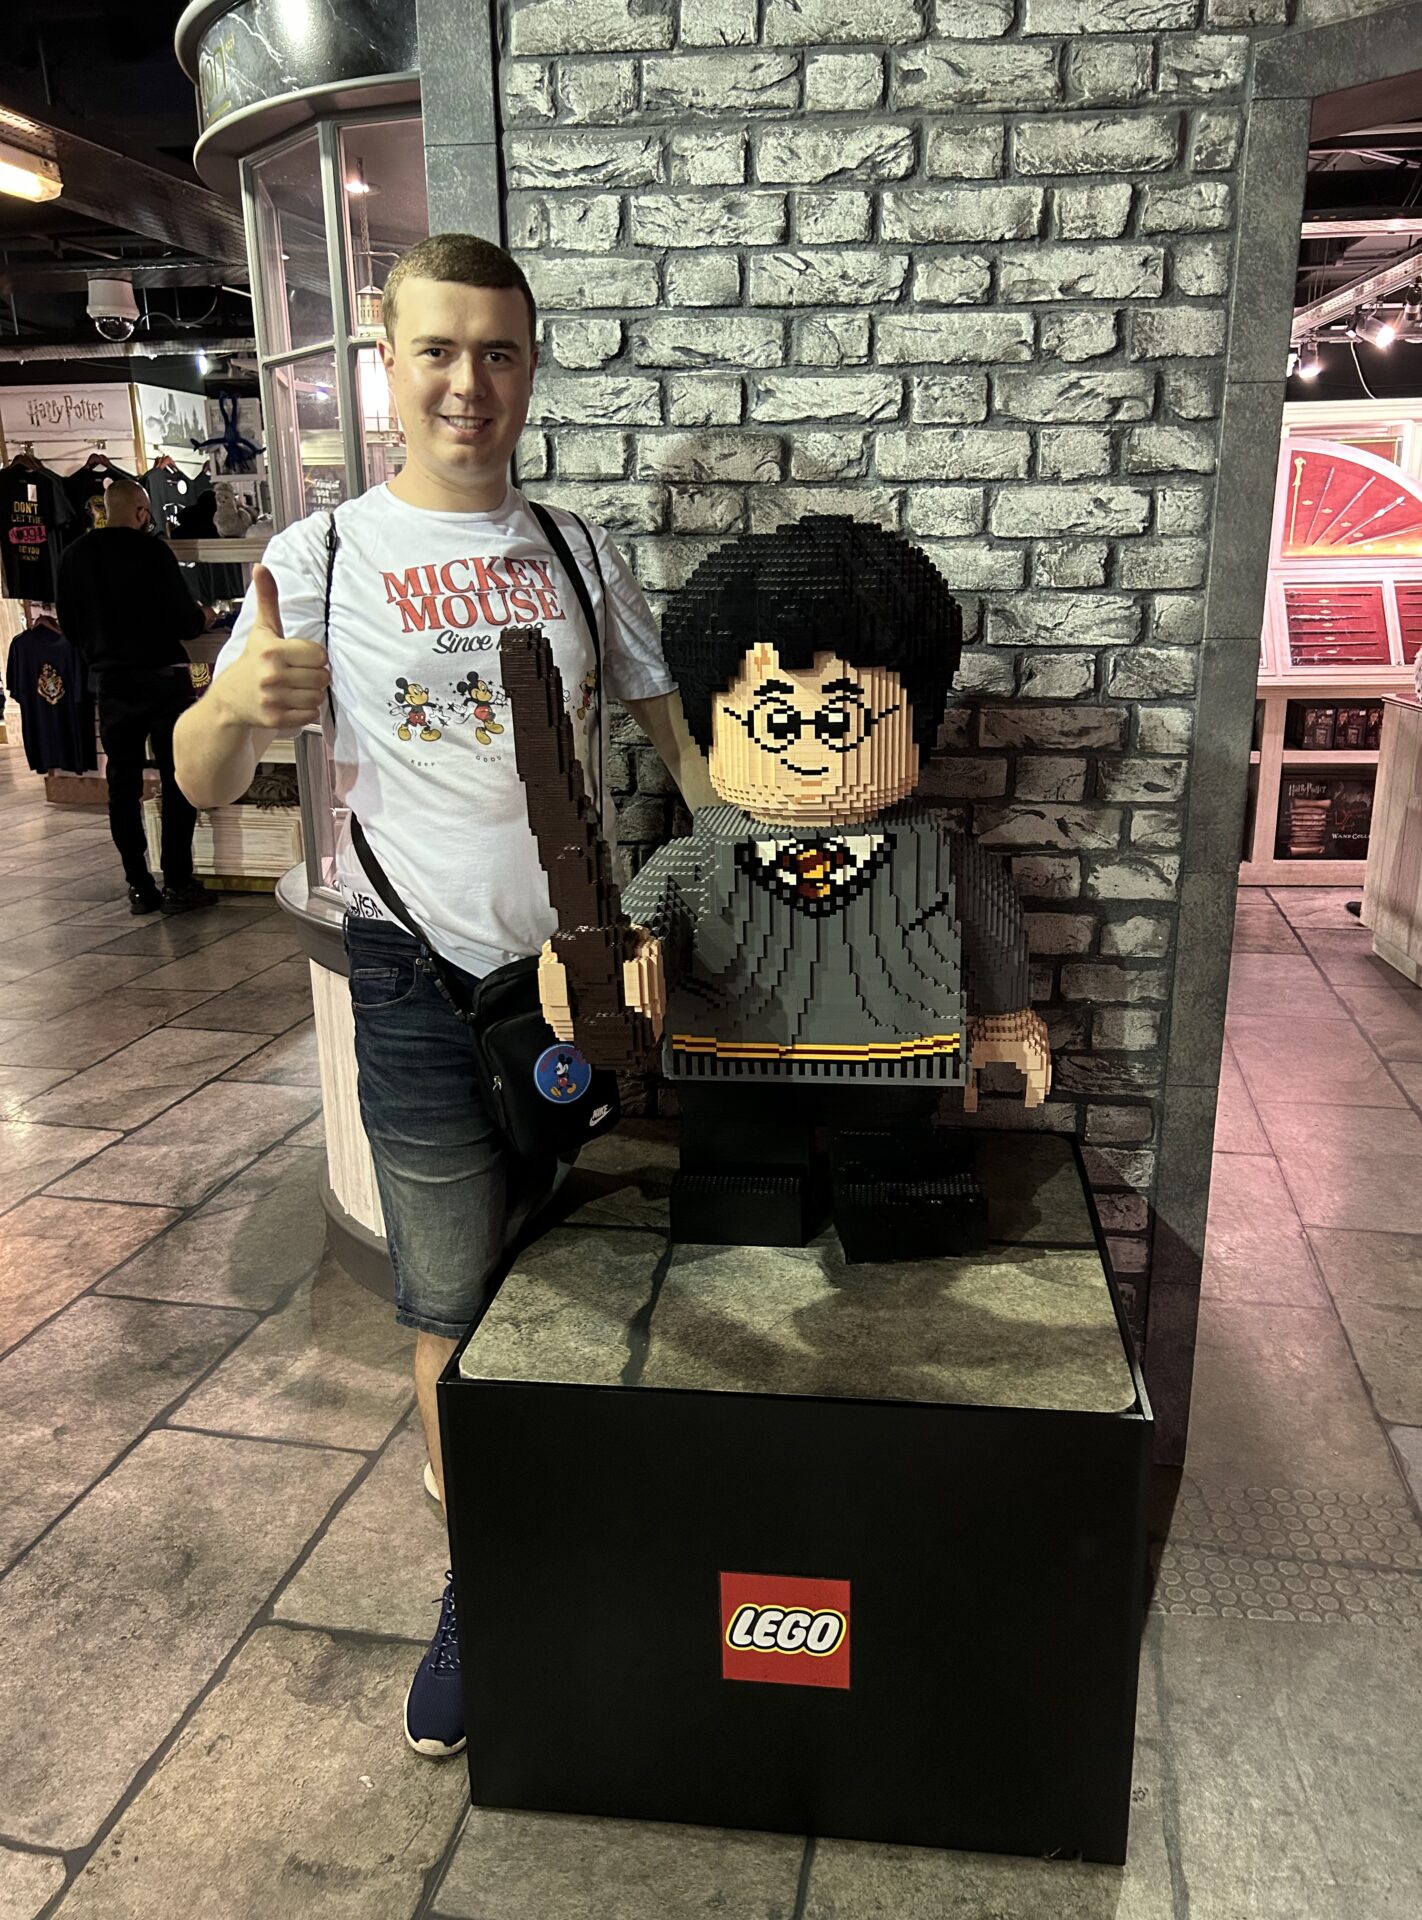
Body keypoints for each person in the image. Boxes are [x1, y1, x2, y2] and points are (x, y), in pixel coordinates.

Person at [173, 233, 713, 1761]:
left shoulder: (581, 551)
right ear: (388, 364)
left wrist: (772, 858)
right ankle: (482, 1585)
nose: (467, 382)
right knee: (452, 1296)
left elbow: (676, 745)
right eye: (436, 350)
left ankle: (590, 1533)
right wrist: (232, 705)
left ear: (529, 367)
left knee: (583, 1262)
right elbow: (199, 779)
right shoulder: (320, 557)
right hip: (414, 981)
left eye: (498, 351)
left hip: (578, 976)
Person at [541, 518, 1051, 1260]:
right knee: (738, 1170)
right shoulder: (697, 861)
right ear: (711, 731)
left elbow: (992, 924)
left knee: (894, 1168)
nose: (810, 749)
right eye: (775, 722)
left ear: (919, 725)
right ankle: (743, 1187)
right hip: (733, 1056)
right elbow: (635, 934)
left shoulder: (938, 855)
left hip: (896, 1054)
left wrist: (1005, 1013)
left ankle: (891, 1193)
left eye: (842, 720)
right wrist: (602, 972)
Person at [56, 476, 213, 914]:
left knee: (122, 787)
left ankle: (139, 885)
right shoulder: (152, 552)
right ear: (142, 512)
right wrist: (204, 616)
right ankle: (178, 881)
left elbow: (70, 626)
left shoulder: (73, 556)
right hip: (164, 681)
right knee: (176, 781)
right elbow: (184, 623)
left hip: (112, 683)